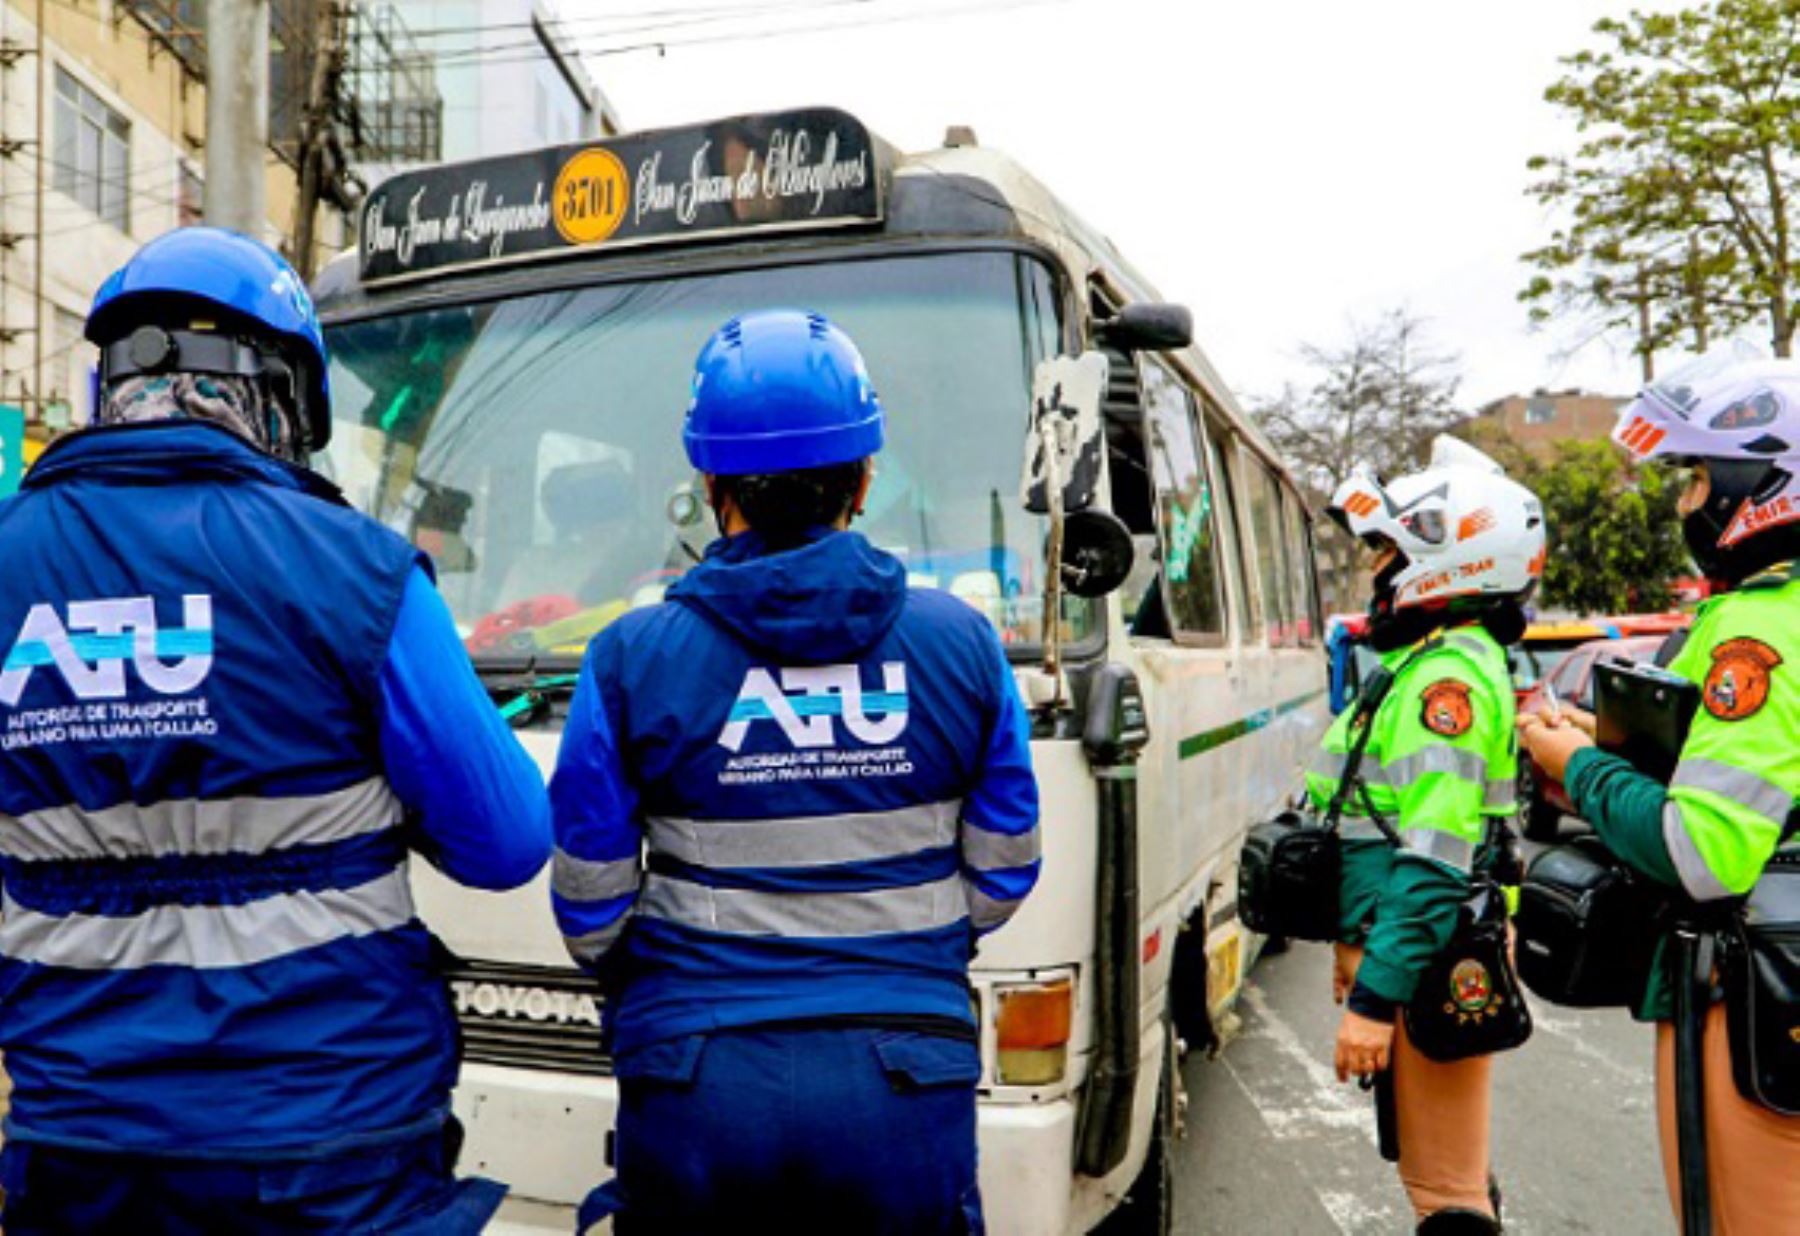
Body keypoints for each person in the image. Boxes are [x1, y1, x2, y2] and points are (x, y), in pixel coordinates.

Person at [0, 227, 552, 1232]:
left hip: (80, 1145)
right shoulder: (359, 571)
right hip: (330, 1147)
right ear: (280, 394)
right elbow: (508, 845)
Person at [550, 308, 1040, 1234]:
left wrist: (672, 978)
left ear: (710, 482)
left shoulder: (629, 655)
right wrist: (904, 947)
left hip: (697, 1079)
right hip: (906, 1070)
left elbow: (591, 901)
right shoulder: (961, 643)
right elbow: (1006, 867)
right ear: (863, 479)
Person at [1519, 353, 1800, 1234]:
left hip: (1761, 987)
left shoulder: (1758, 629)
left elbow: (1703, 853)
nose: (1684, 503)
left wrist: (1578, 766)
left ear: (1755, 488)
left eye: (1695, 481)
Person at [1313, 437, 1546, 1234]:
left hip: (1437, 949)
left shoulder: (1445, 680)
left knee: (1446, 1194)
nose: (1373, 569)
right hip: (1419, 947)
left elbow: (1435, 861)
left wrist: (1375, 1001)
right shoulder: (1433, 663)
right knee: (1442, 1175)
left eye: (1385, 550)